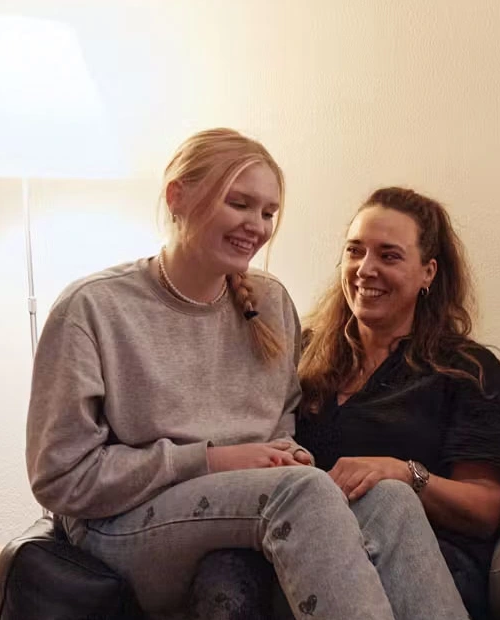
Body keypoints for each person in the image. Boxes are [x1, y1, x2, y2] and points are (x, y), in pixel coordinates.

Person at [25, 129, 466, 620]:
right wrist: (212, 460)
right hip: (120, 527)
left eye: (268, 212)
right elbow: (60, 479)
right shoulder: (94, 309)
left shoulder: (271, 302)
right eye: (240, 204)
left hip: (241, 510)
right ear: (178, 196)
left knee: (390, 498)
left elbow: (280, 424)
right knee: (305, 490)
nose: (256, 226)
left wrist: (287, 453)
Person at [296, 187, 500, 620]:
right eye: (355, 251)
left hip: (432, 561)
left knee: (388, 499)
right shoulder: (303, 355)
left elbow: (484, 509)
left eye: (389, 256)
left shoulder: (467, 369)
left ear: (428, 273)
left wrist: (405, 473)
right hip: (315, 548)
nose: (365, 269)